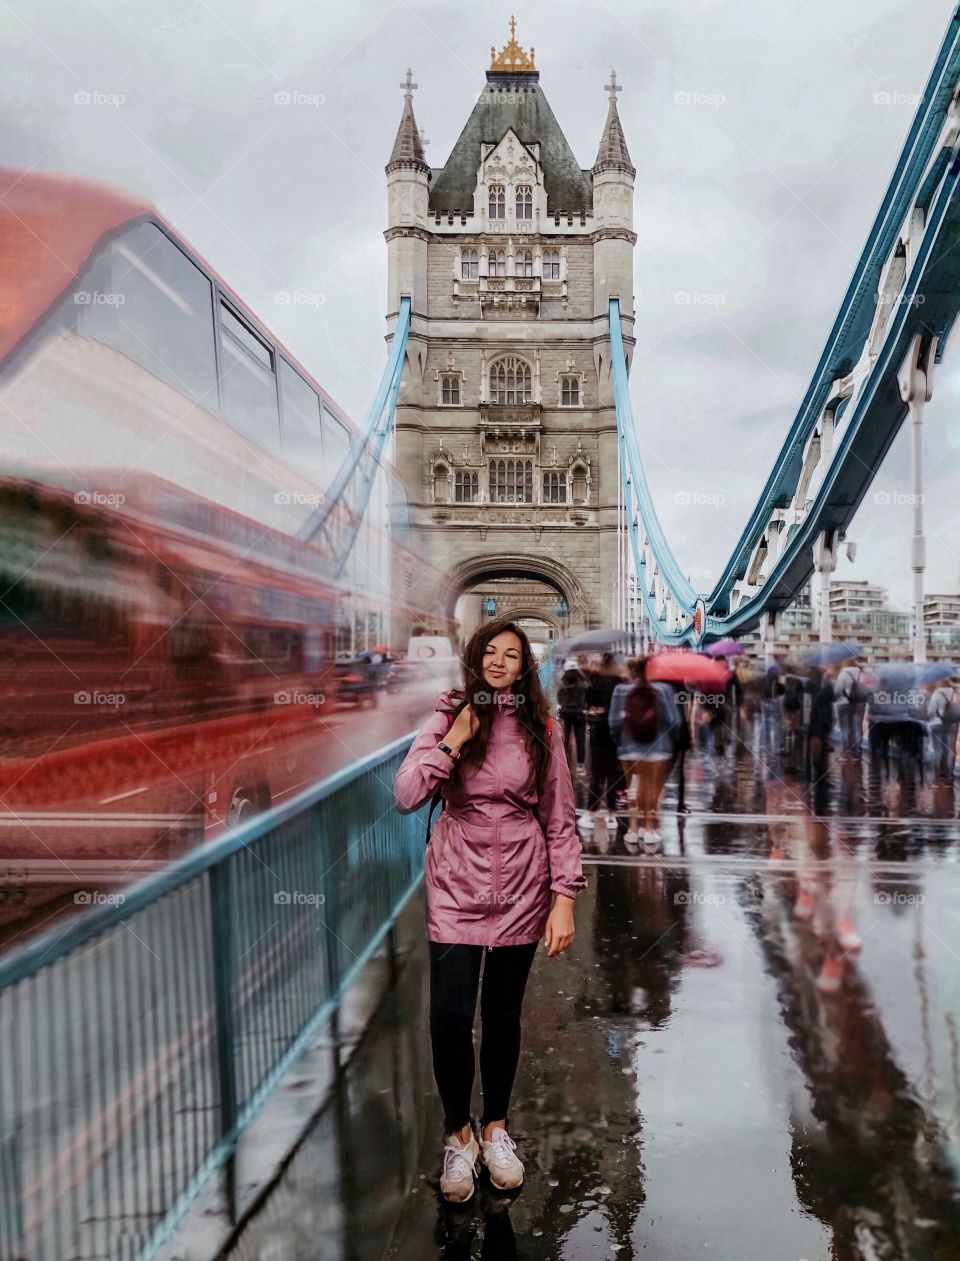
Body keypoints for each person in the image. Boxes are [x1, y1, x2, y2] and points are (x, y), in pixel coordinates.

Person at [392, 615, 587, 1204]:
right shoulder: (447, 715)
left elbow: (559, 817)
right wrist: (454, 738)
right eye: (491, 652)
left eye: (512, 654)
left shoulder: (540, 727)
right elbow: (405, 796)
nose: (500, 661)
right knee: (449, 1019)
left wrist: (564, 900)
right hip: (456, 884)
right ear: (475, 659)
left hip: (523, 885)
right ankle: (459, 1136)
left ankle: (496, 1128)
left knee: (501, 1016)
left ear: (524, 666)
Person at [609, 657, 680, 853]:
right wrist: (670, 741)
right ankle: (649, 828)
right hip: (658, 748)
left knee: (632, 787)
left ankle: (633, 829)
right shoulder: (663, 690)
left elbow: (614, 722)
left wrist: (620, 740)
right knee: (652, 789)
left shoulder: (620, 691)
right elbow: (672, 719)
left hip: (628, 748)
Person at [584, 652, 624, 828]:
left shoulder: (594, 680)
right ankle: (612, 815)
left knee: (597, 772)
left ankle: (591, 812)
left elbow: (587, 704)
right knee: (612, 772)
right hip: (614, 728)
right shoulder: (619, 682)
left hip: (598, 727)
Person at [556, 657, 589, 771]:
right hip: (580, 713)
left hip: (566, 713)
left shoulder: (562, 684)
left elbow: (559, 699)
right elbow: (587, 689)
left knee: (566, 736)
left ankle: (566, 760)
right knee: (580, 739)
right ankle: (580, 765)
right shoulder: (582, 684)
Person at [928, 676, 960, 784]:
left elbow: (931, 711)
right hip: (952, 725)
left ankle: (937, 778)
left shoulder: (937, 694)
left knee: (937, 751)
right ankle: (949, 777)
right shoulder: (955, 693)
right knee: (950, 751)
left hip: (936, 724)